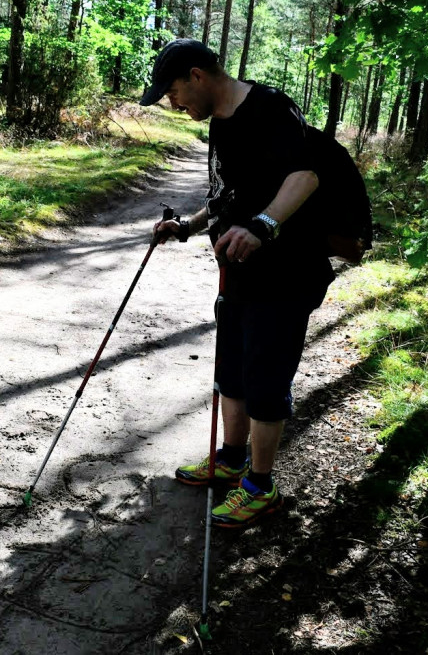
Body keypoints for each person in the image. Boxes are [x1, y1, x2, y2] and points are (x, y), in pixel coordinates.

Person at [142, 38, 337, 529]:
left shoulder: (272, 108)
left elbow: (306, 177)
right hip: (241, 271)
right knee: (232, 370)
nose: (173, 103)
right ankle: (230, 459)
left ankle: (260, 486)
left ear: (197, 75)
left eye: (173, 92)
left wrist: (264, 225)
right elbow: (230, 194)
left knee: (266, 379)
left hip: (288, 271)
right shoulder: (220, 124)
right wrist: (186, 226)